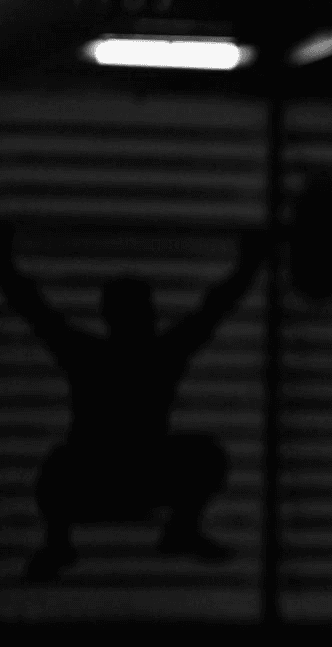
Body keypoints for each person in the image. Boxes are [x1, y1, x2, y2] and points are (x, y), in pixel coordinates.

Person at [0, 222, 266, 582]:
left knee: (207, 453)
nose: (146, 316)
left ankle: (171, 532)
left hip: (129, 480)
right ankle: (60, 543)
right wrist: (247, 266)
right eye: (140, 310)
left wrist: (247, 266)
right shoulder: (136, 356)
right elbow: (35, 310)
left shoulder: (107, 356)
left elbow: (37, 312)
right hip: (106, 481)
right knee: (58, 466)